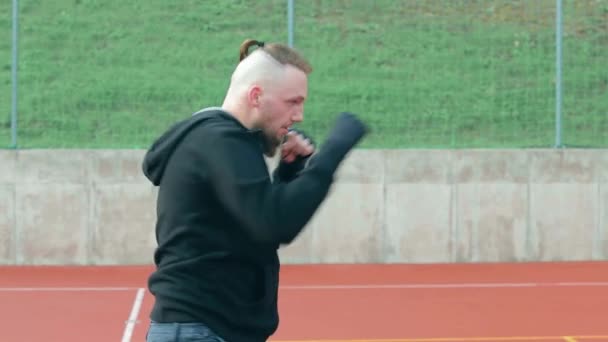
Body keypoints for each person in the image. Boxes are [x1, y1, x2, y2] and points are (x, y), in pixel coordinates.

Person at [141, 38, 368, 342]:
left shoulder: (220, 141)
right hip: (199, 330)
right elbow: (274, 224)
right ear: (256, 96)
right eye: (293, 102)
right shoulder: (221, 140)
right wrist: (333, 152)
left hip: (205, 329)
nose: (299, 115)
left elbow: (254, 229)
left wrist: (289, 172)